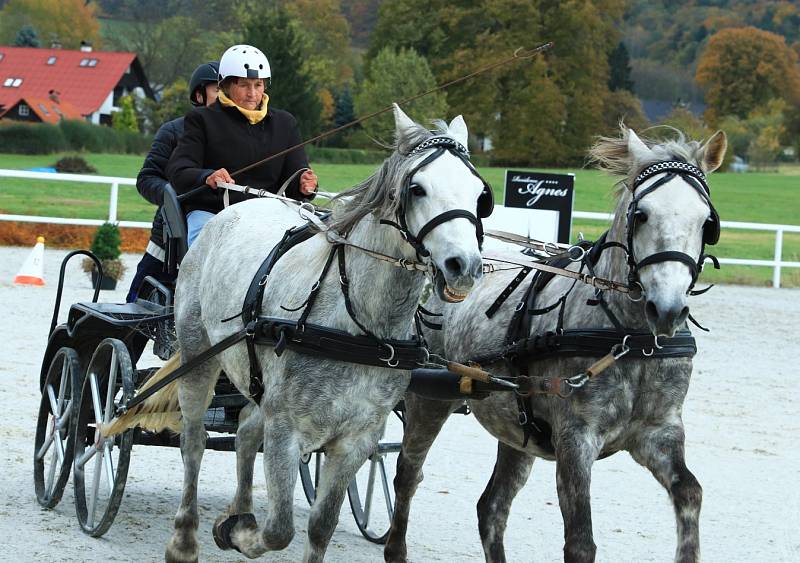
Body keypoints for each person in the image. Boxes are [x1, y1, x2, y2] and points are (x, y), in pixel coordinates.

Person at [167, 44, 318, 247]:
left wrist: (304, 185)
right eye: (244, 85)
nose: (252, 94)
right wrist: (207, 176)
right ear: (227, 86)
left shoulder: (285, 123)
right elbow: (179, 171)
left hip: (268, 216)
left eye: (258, 85)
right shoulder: (201, 119)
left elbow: (293, 180)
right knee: (202, 256)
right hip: (211, 213)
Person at [125, 61, 220, 303]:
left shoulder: (242, 136)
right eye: (218, 89)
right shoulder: (174, 131)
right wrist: (174, 196)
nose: (225, 96)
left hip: (222, 239)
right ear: (199, 95)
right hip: (169, 241)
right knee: (137, 306)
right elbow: (147, 178)